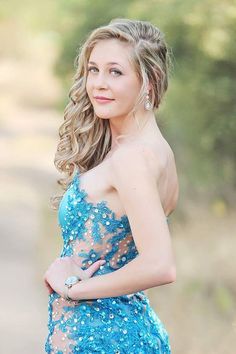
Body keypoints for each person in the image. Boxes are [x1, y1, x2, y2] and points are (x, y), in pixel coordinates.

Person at [44, 18, 179, 354]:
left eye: (115, 72)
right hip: (117, 331)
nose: (98, 84)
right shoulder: (154, 151)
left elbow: (160, 264)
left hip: (104, 339)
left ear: (150, 81)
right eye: (93, 70)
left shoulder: (132, 158)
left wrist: (72, 287)